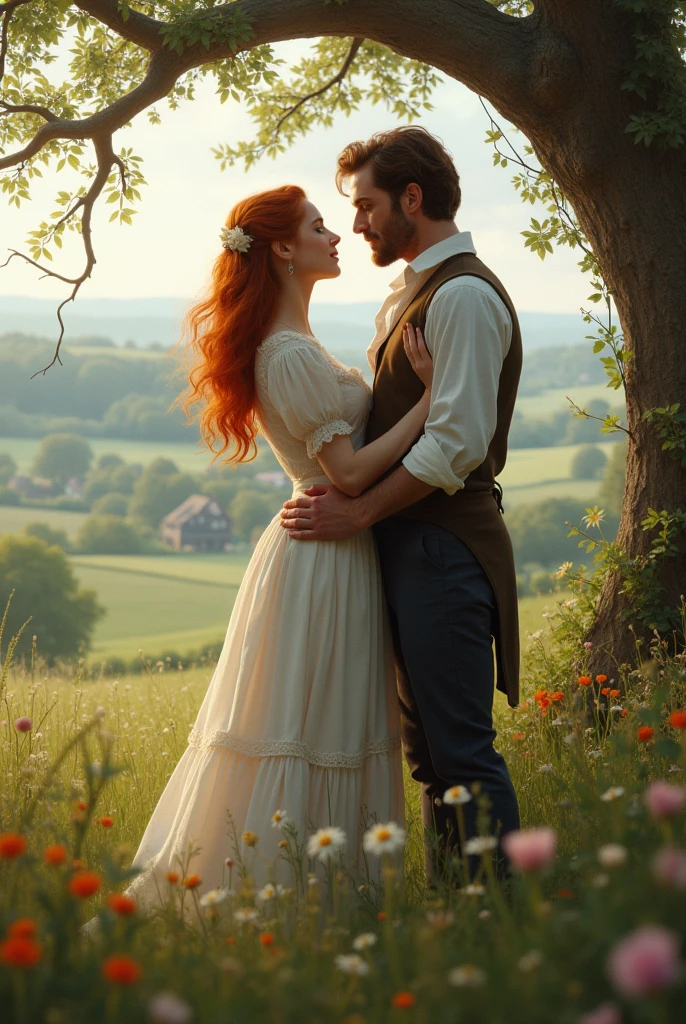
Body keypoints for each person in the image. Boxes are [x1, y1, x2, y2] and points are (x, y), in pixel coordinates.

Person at [125, 184, 433, 909]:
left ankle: (324, 902)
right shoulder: (289, 354)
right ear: (284, 249)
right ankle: (279, 906)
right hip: (320, 556)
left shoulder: (298, 343)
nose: (338, 235)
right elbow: (350, 472)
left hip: (333, 549)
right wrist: (430, 400)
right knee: (306, 722)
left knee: (328, 718)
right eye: (320, 227)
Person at [281, 127, 522, 879]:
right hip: (413, 549)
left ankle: (500, 921)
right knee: (429, 755)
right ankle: (459, 913)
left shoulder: (465, 299)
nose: (356, 224)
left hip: (446, 552)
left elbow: (455, 446)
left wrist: (355, 513)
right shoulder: (413, 292)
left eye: (366, 205)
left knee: (461, 751)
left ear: (412, 199)